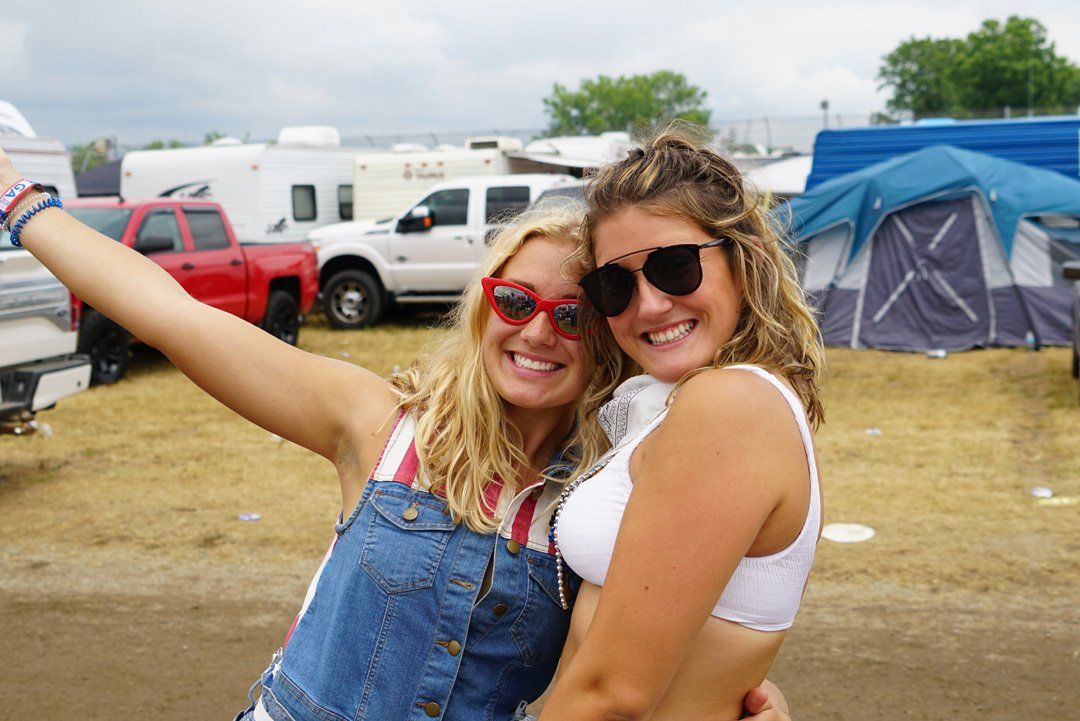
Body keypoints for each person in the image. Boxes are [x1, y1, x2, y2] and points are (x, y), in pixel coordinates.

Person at [0, 149, 791, 721]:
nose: (539, 332)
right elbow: (170, 313)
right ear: (485, 308)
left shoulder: (597, 501)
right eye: (515, 301)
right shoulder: (381, 426)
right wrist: (17, 203)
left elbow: (649, 651)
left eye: (575, 311)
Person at [536, 123, 825, 721]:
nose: (649, 304)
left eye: (675, 267)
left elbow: (612, 693)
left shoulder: (729, 408)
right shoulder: (670, 405)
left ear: (747, 260)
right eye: (614, 283)